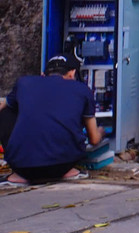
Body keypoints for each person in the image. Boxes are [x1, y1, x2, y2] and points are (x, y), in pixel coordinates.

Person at [1, 54, 102, 186]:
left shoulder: (24, 83)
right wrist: (101, 132)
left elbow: (3, 107)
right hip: (63, 165)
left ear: (43, 75)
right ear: (72, 74)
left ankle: (17, 176)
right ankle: (70, 172)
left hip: (22, 167)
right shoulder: (83, 90)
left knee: (7, 111)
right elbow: (94, 139)